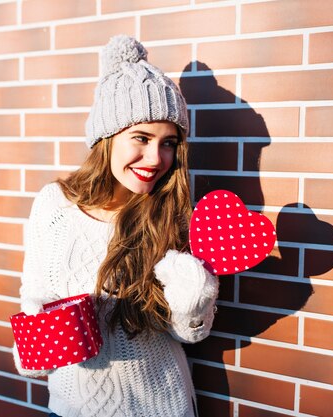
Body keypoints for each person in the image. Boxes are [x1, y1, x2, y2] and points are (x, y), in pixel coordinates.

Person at [13, 34, 219, 417]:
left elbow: (190, 334)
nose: (156, 158)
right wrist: (36, 344)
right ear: (107, 139)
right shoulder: (54, 205)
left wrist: (196, 300)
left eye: (169, 143)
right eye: (140, 138)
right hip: (75, 409)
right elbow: (35, 296)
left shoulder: (171, 211)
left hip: (163, 407)